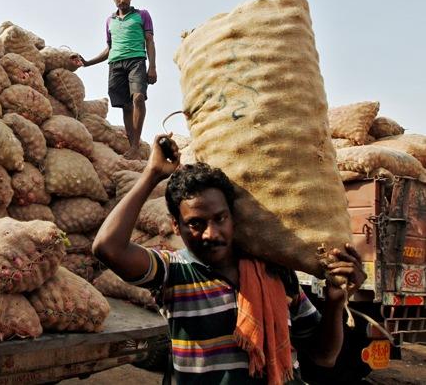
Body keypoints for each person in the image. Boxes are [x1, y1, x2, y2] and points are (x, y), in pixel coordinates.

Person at [92, 134, 368, 384]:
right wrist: (152, 174)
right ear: (176, 226)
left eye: (220, 218)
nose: (212, 233)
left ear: (233, 217)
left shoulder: (276, 273)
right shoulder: (174, 272)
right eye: (196, 224)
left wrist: (334, 302)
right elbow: (107, 247)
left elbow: (324, 356)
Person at [82, 0, 157, 160]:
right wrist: (87, 63)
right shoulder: (110, 21)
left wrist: (152, 67)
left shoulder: (142, 15)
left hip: (136, 61)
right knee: (126, 106)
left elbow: (149, 41)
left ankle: (135, 145)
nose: (122, 0)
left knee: (138, 98)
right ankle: (133, 148)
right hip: (116, 65)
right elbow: (109, 49)